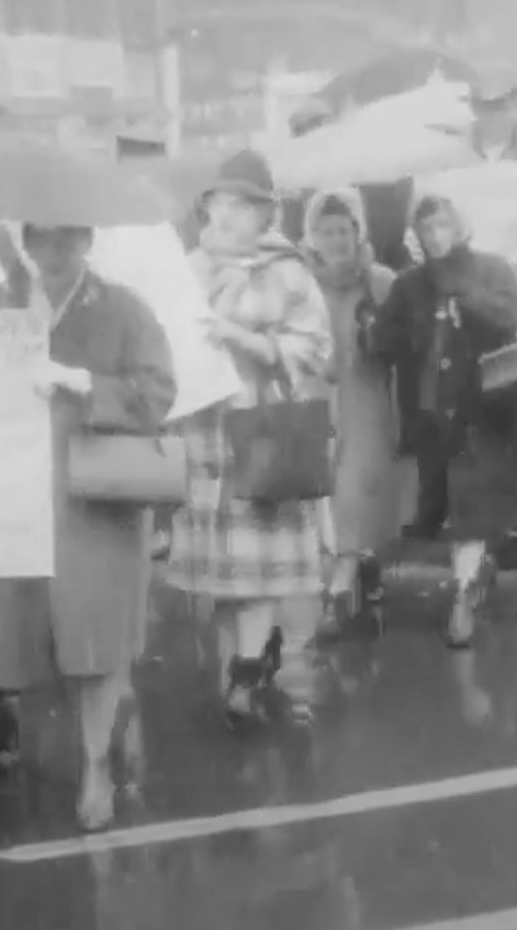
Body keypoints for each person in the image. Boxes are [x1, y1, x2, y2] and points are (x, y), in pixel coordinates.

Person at [0, 219, 177, 832]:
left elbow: (157, 393)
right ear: (29, 242)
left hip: (99, 498)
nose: (56, 250)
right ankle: (95, 730)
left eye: (69, 237)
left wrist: (83, 383)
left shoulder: (123, 309)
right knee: (43, 643)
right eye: (43, 237)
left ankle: (96, 765)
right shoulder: (1, 306)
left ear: (88, 240)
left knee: (96, 640)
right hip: (23, 496)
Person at [166, 150, 336, 725]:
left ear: (266, 214)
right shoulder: (186, 269)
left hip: (263, 433)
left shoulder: (287, 270)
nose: (228, 215)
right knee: (226, 577)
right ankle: (251, 670)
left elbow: (314, 348)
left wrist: (239, 336)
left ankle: (246, 679)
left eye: (242, 205)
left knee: (259, 571)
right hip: (203, 435)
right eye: (220, 203)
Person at [370, 194, 517, 649]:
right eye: (426, 228)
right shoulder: (409, 285)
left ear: (460, 227)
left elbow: (510, 318)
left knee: (472, 511)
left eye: (443, 225)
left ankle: (461, 598)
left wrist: (465, 295)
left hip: (484, 411)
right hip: (431, 415)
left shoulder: (491, 269)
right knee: (448, 510)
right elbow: (385, 340)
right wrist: (371, 327)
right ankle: (474, 574)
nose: (436, 235)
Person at [302, 188, 404, 634]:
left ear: (358, 231)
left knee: (355, 487)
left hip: (368, 399)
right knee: (328, 493)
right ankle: (363, 562)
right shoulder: (300, 282)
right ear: (310, 235)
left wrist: (379, 333)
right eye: (325, 231)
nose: (335, 240)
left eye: (344, 230)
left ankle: (339, 588)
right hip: (317, 398)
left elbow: (406, 340)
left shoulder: (381, 281)